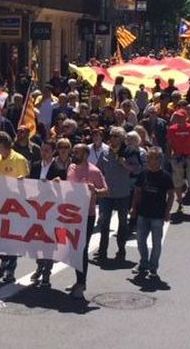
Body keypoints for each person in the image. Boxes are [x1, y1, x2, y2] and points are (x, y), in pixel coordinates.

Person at [66, 143, 108, 299]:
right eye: (74, 150)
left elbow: (105, 191)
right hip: (70, 214)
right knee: (72, 249)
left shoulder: (94, 171)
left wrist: (95, 191)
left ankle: (82, 284)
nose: (74, 153)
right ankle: (78, 280)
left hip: (87, 215)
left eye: (77, 152)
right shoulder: (71, 168)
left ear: (85, 154)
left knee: (81, 249)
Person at [0, 132, 30, 283]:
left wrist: (22, 180)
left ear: (1, 144)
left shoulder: (19, 159)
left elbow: (27, 181)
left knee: (12, 239)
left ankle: (10, 271)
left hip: (14, 205)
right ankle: (4, 259)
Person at [96, 127, 140, 261]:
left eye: (116, 136)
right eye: (111, 136)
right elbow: (98, 170)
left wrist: (125, 165)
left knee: (123, 223)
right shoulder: (104, 151)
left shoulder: (130, 152)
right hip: (107, 194)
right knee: (104, 222)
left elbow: (137, 169)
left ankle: (121, 250)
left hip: (123, 193)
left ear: (122, 138)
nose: (112, 138)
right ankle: (102, 250)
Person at [130, 147, 175, 278]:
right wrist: (133, 208)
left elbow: (171, 195)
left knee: (156, 243)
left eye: (152, 157)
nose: (149, 160)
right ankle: (143, 263)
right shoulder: (143, 174)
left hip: (158, 215)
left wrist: (167, 212)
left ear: (159, 160)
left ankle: (153, 267)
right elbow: (137, 192)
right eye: (148, 157)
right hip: (143, 213)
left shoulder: (166, 176)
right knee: (140, 240)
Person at [29, 140, 67, 287]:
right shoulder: (35, 166)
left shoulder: (59, 169)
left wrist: (58, 184)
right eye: (42, 150)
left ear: (53, 152)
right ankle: (39, 266)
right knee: (37, 240)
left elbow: (63, 191)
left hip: (51, 210)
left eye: (47, 150)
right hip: (37, 209)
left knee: (49, 242)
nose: (44, 153)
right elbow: (30, 183)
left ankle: (47, 272)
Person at [166, 109, 190, 215]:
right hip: (177, 157)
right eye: (177, 117)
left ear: (185, 117)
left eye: (181, 117)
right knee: (177, 181)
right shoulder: (172, 129)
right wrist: (169, 158)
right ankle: (180, 204)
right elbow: (169, 144)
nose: (179, 119)